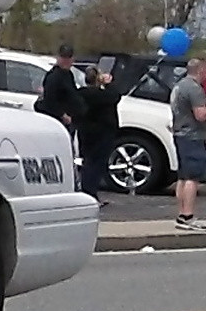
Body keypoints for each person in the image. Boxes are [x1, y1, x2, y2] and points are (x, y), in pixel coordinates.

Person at [74, 64, 138, 198]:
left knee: (88, 161)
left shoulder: (81, 94)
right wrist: (108, 83)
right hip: (102, 133)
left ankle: (88, 190)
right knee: (97, 164)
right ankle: (90, 192)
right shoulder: (103, 96)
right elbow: (116, 96)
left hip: (85, 132)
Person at [170, 56, 206, 231]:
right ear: (201, 70)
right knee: (192, 178)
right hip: (193, 135)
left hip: (179, 134)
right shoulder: (194, 89)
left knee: (182, 177)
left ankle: (181, 213)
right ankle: (188, 216)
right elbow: (200, 115)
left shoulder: (179, 86)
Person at [34, 43, 82, 141]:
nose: (66, 61)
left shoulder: (68, 75)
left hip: (70, 120)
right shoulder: (53, 77)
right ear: (58, 58)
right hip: (58, 121)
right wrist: (62, 115)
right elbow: (50, 100)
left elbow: (72, 94)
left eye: (68, 58)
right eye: (63, 57)